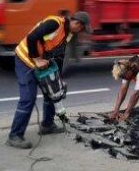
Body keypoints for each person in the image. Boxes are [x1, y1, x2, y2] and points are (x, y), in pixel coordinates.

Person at [6, 11, 91, 149]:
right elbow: (32, 37)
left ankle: (47, 125)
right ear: (76, 23)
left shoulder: (68, 34)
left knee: (53, 92)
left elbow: (59, 56)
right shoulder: (55, 23)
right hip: (25, 60)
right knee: (28, 98)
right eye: (82, 28)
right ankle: (15, 135)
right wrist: (37, 59)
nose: (81, 32)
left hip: (41, 62)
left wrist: (59, 80)